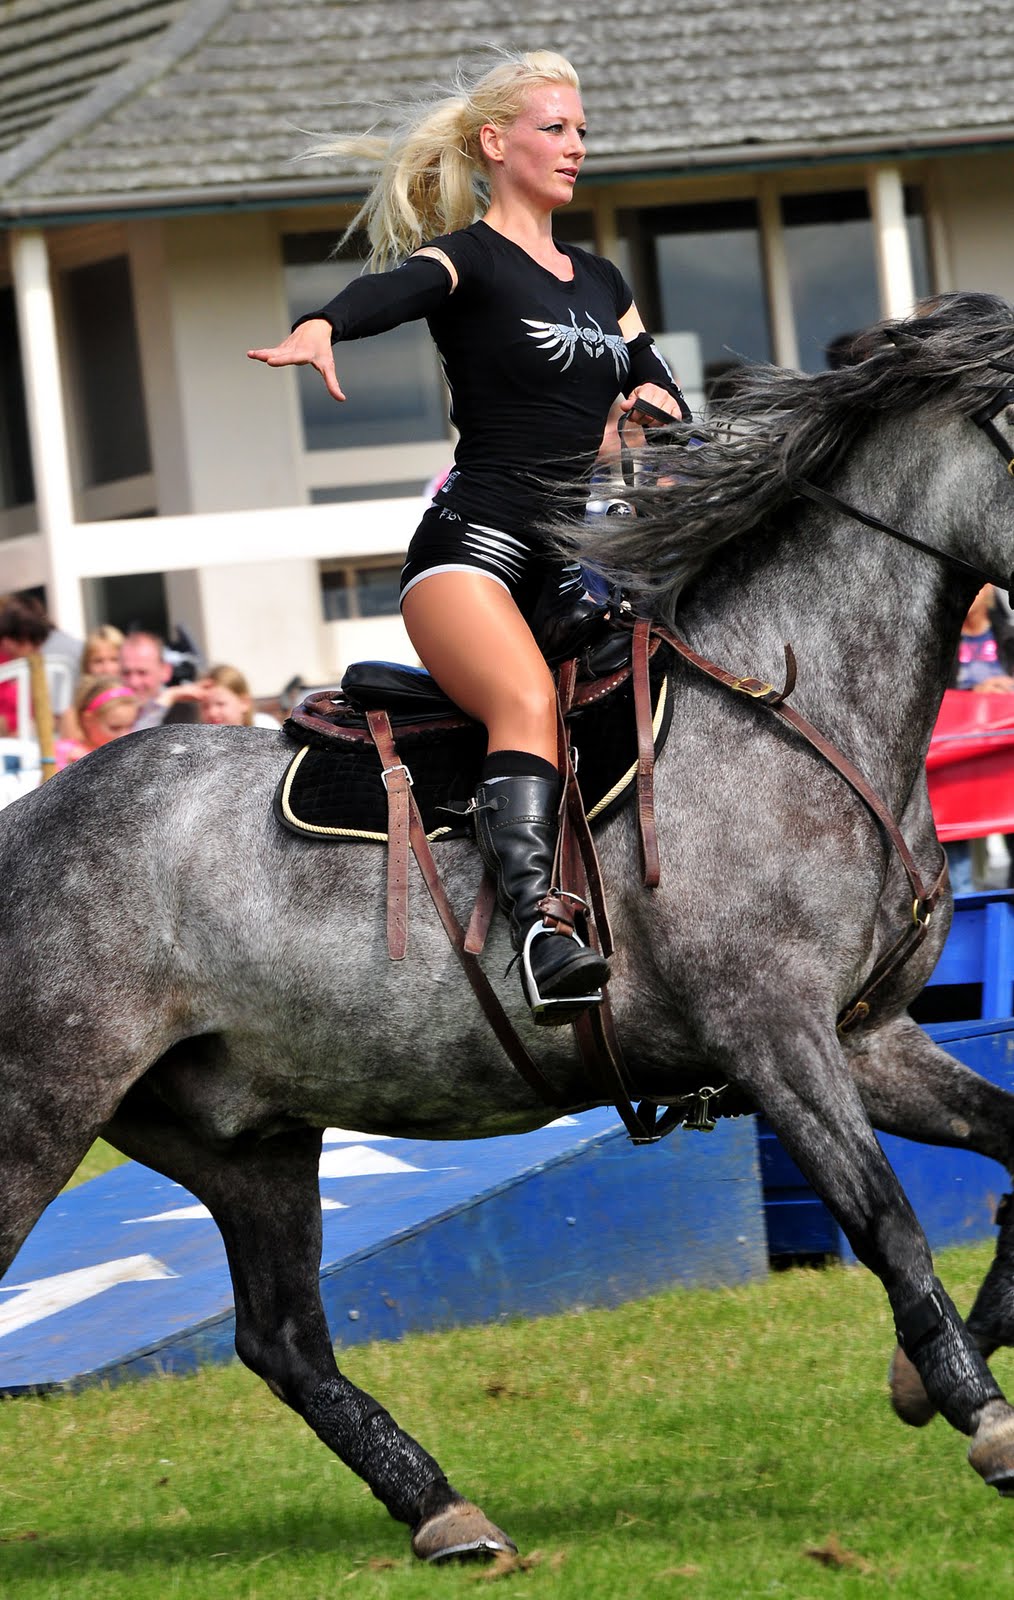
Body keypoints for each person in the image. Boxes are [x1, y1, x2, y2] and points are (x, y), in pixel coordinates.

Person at [248, 50, 689, 1023]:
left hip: (565, 569)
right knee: (526, 698)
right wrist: (325, 323)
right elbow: (394, 291)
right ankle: (540, 933)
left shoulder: (604, 277)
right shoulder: (474, 259)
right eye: (554, 129)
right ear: (497, 143)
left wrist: (661, 400)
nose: (576, 146)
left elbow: (657, 383)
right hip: (469, 555)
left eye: (581, 130)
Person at [945, 584, 1014, 894]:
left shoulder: (1009, 640)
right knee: (955, 861)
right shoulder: (940, 645)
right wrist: (973, 696)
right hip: (954, 769)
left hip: (1005, 768)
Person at [53, 677, 139, 770]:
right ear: (88, 720)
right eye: (115, 728)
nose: (125, 735)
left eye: (130, 726)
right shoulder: (64, 755)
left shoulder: (134, 754)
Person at [0, 594, 51, 737]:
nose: (36, 650)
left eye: (38, 642)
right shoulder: (8, 669)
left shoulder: (34, 666)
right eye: (30, 642)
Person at [199, 664, 281, 729]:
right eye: (205, 706)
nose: (212, 713)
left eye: (220, 704)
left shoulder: (265, 725)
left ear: (244, 702)